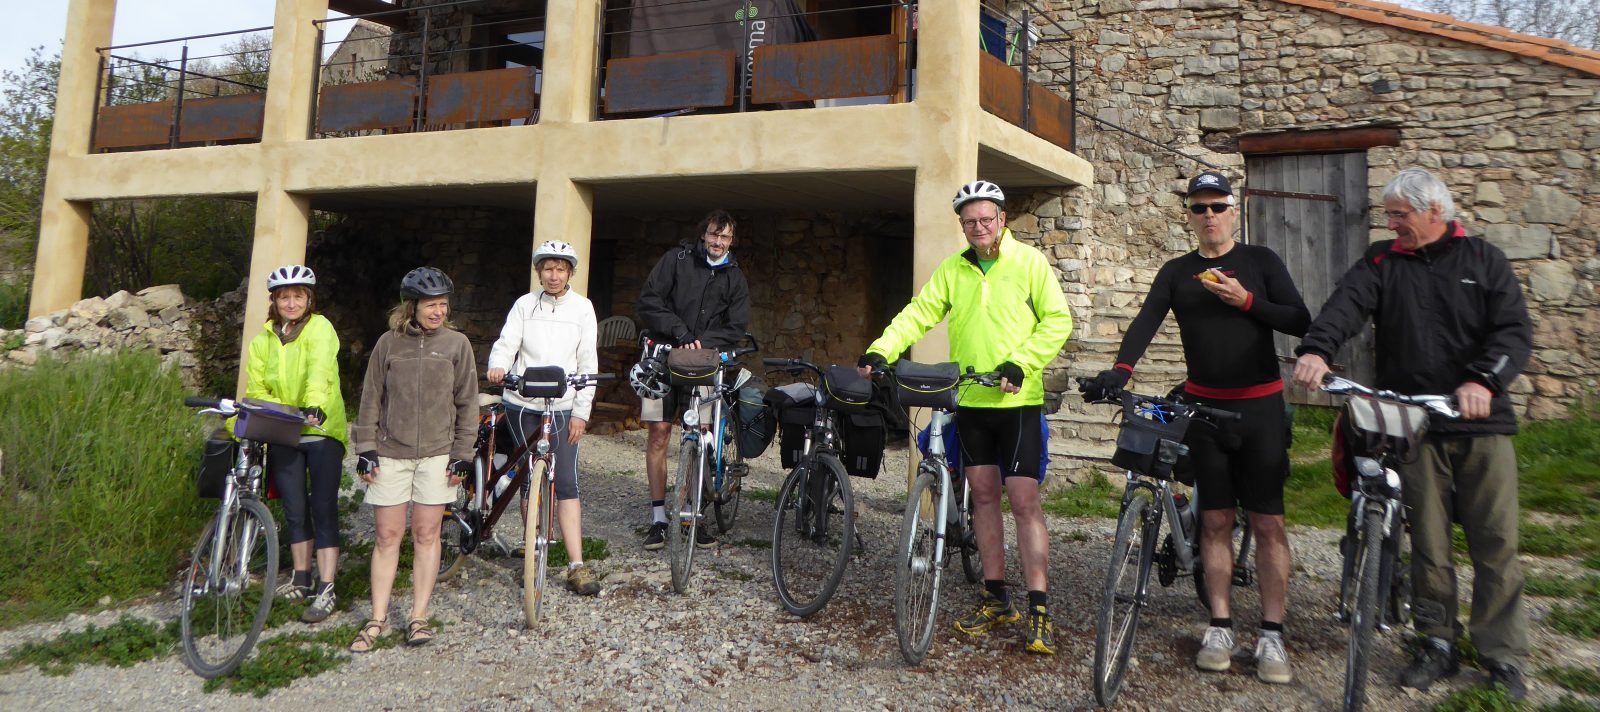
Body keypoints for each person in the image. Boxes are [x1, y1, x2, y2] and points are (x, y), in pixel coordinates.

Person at [1292, 167, 1532, 701]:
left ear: (1434, 212)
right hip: (1414, 425)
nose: (1392, 222)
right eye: (1389, 214)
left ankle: (1501, 655)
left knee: (1495, 543)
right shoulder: (1382, 260)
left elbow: (1513, 330)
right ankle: (1437, 642)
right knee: (1428, 542)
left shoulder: (1483, 260)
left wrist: (1485, 381)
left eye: (1400, 214)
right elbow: (1345, 306)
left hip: (1479, 423)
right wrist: (1317, 348)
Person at [1080, 172, 1310, 683]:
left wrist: (1246, 301)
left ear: (1234, 211)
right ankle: (1221, 625)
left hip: (1260, 407)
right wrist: (1121, 371)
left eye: (1218, 205)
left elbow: (1300, 320)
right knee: (1215, 521)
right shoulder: (1177, 272)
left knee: (1269, 522)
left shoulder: (1260, 262)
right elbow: (1145, 321)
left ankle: (1272, 634)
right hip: (1204, 410)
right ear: (1188, 214)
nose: (1209, 215)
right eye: (1198, 207)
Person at [857, 180, 1073, 655]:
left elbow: (1058, 320)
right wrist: (882, 348)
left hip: (1017, 402)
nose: (978, 227)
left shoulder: (1029, 263)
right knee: (983, 499)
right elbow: (920, 312)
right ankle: (996, 597)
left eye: (986, 219)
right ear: (963, 225)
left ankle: (1039, 607)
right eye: (969, 221)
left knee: (1024, 501)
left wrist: (1023, 362)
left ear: (1001, 218)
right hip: (972, 401)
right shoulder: (954, 270)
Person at [348, 267, 478, 651]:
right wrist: (366, 448)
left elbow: (468, 403)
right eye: (430, 305)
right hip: (391, 452)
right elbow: (371, 396)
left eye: (442, 305)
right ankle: (377, 619)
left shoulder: (457, 345)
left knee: (427, 534)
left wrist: (462, 455)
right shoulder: (388, 344)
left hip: (438, 455)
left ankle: (418, 616)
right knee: (388, 536)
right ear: (412, 306)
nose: (438, 311)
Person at [486, 240, 604, 596]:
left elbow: (588, 362)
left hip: (565, 405)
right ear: (539, 272)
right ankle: (532, 550)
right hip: (523, 403)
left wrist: (582, 412)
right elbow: (508, 341)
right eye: (547, 269)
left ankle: (575, 564)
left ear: (570, 273)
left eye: (560, 269)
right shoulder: (525, 305)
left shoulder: (583, 309)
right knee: (527, 480)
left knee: (566, 481)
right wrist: (498, 365)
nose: (553, 275)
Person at [635, 209, 751, 550]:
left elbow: (737, 324)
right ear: (704, 234)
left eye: (725, 237)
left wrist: (705, 342)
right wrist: (681, 332)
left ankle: (690, 512)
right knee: (657, 435)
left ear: (731, 240)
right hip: (661, 361)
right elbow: (649, 300)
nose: (718, 242)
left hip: (703, 367)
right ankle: (658, 518)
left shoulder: (735, 277)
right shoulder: (676, 260)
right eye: (714, 235)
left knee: (698, 436)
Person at [247, 264, 349, 624]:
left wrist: (314, 406)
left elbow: (320, 370)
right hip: (285, 430)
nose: (291, 302)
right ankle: (301, 577)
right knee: (293, 507)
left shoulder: (320, 329)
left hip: (320, 429)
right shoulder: (263, 339)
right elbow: (257, 387)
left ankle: (326, 586)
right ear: (274, 300)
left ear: (309, 299)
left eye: (298, 296)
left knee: (322, 507)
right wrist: (269, 413)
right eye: (284, 296)